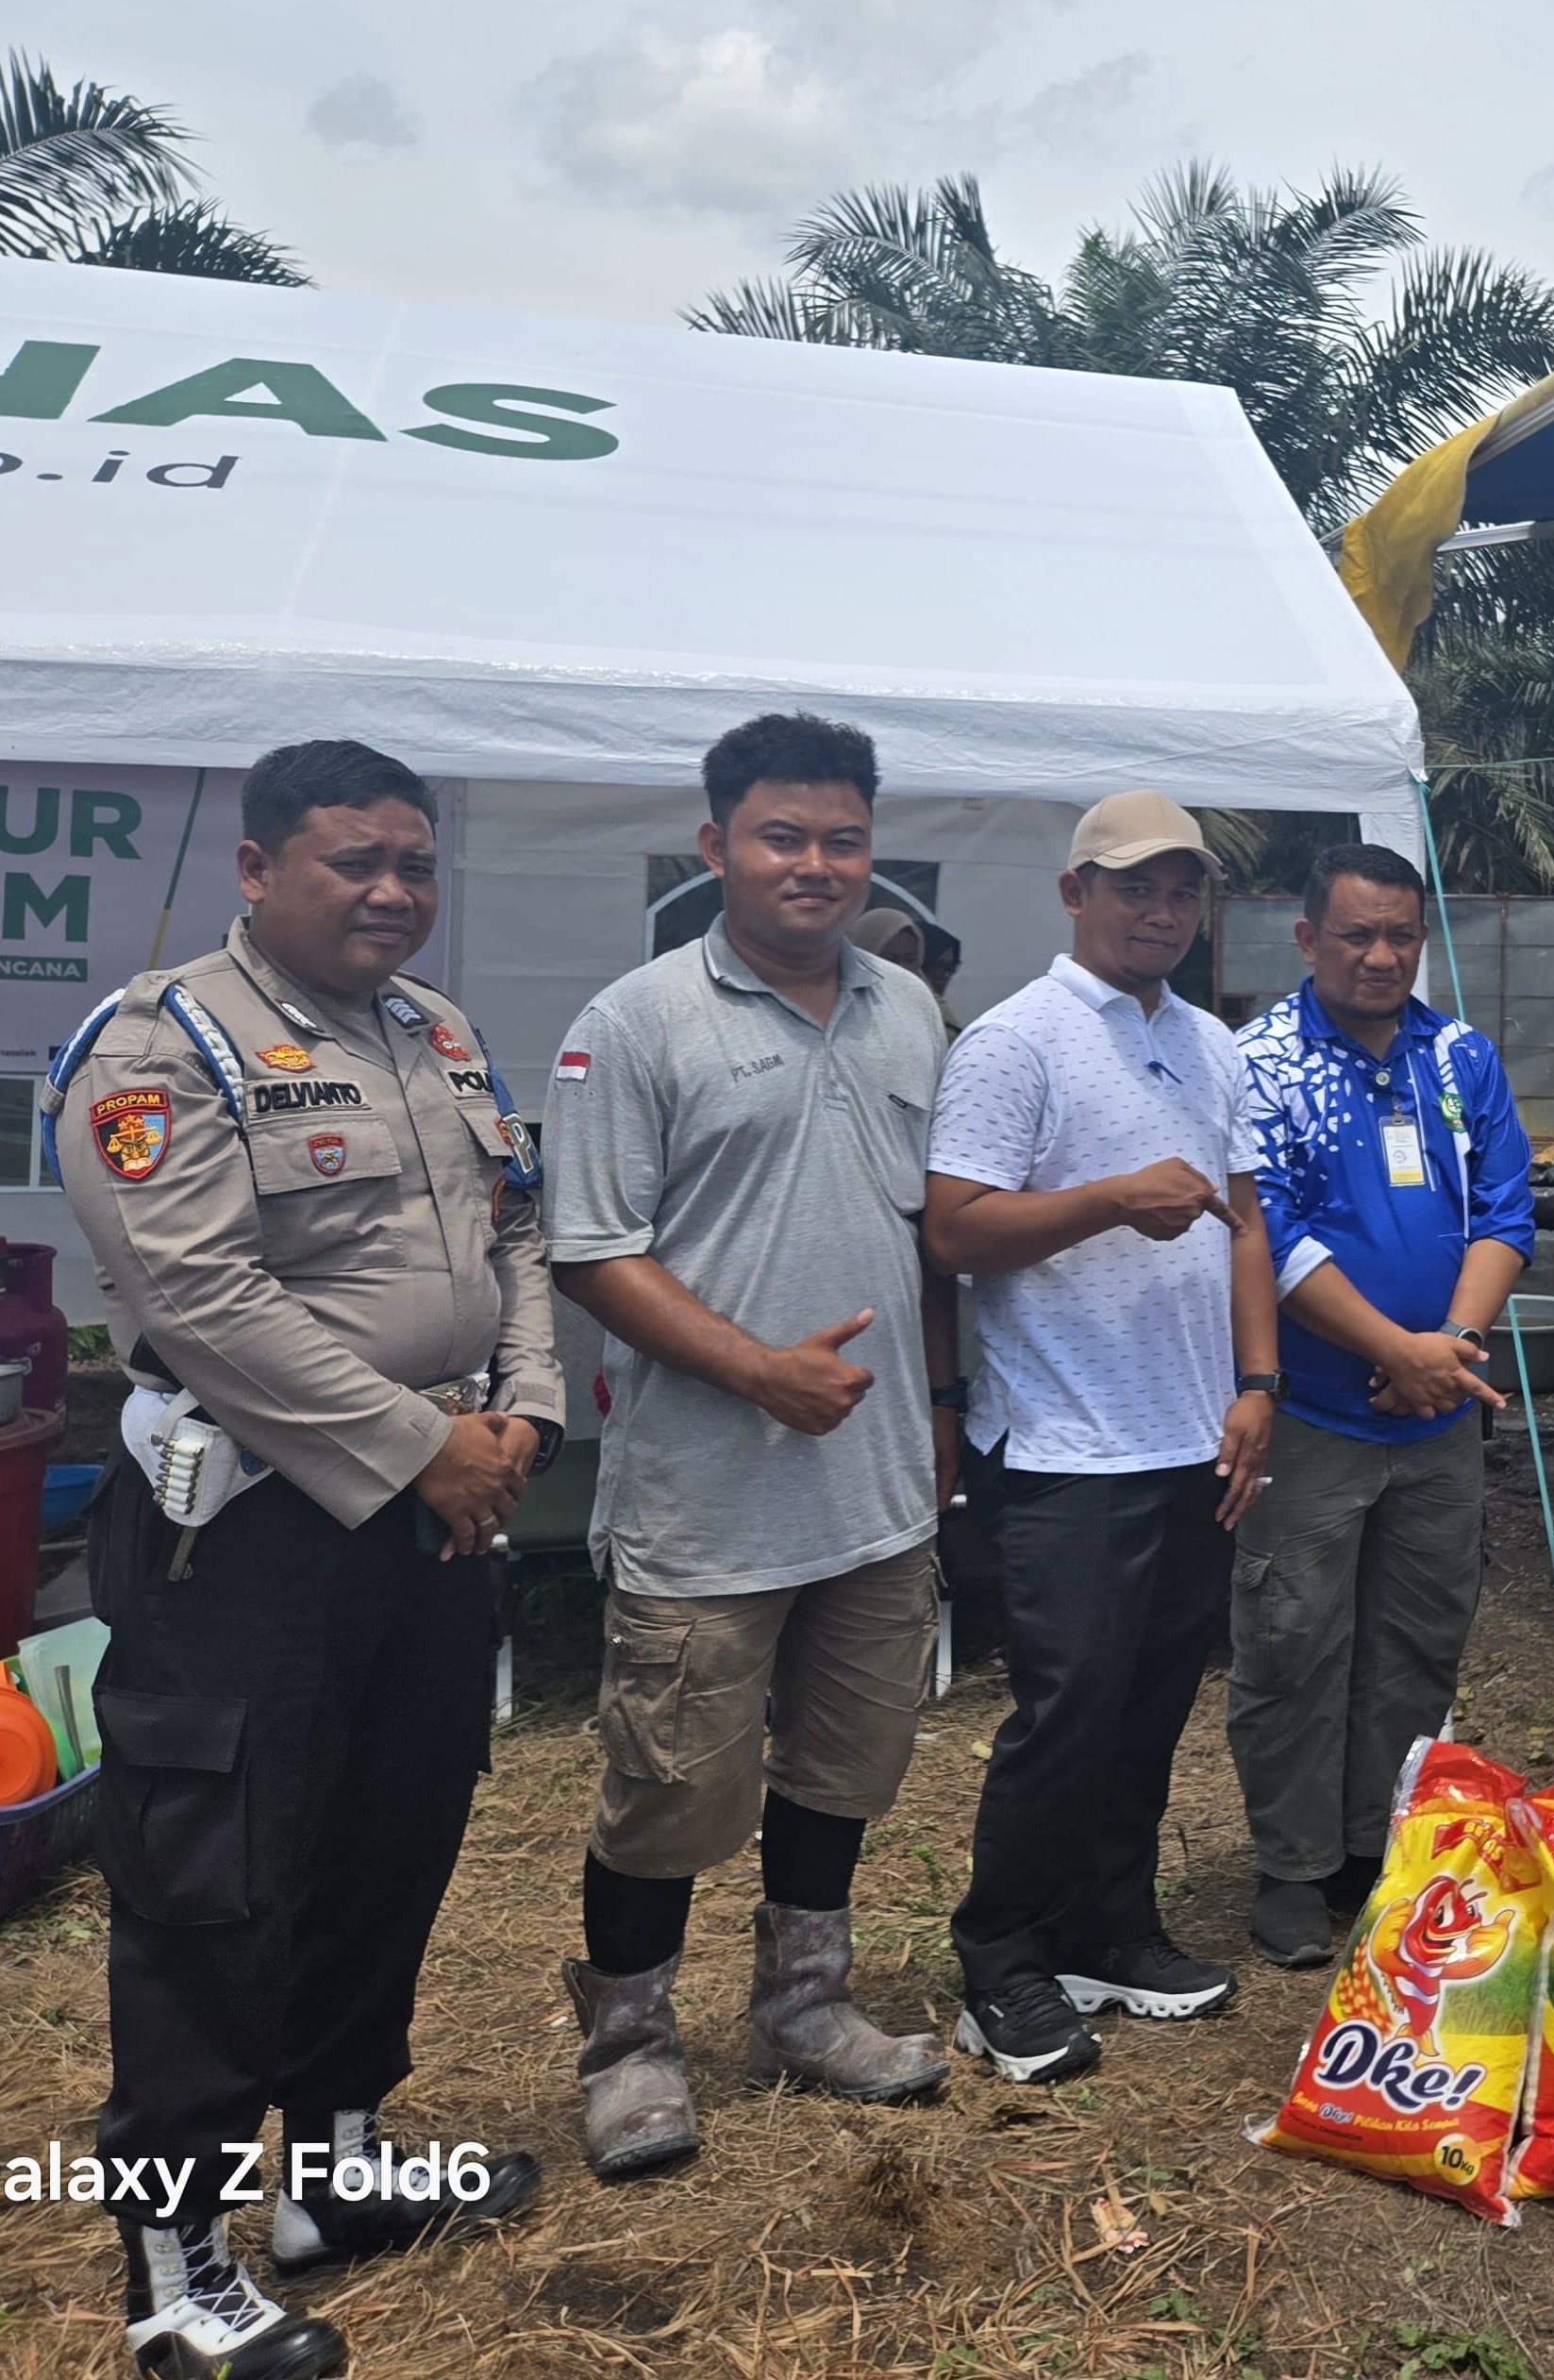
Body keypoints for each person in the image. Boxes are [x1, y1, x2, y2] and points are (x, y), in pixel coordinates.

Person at [48, 741, 560, 2380]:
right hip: (250, 1534)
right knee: (219, 1879)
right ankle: (177, 2263)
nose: (395, 892)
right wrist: (428, 1444)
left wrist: (522, 1419)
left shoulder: (441, 1034)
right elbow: (199, 1298)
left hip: (439, 1514)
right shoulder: (162, 1045)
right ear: (259, 870)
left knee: (392, 1837)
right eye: (356, 862)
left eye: (415, 863)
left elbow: (518, 1236)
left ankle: (338, 2171)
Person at [543, 715, 957, 2183]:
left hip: (878, 1485)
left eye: (842, 839)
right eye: (782, 835)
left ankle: (804, 2003)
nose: (815, 864)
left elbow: (933, 1242)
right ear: (715, 846)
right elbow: (591, 1252)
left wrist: (941, 1420)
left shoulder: (909, 1009)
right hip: (708, 1496)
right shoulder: (634, 1023)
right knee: (667, 1787)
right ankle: (631, 2044)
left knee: (843, 1768)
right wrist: (757, 1373)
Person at [924, 791, 1278, 2083]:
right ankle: (1002, 1958)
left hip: (1192, 1433)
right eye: (1134, 887)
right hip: (1069, 1438)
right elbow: (955, 1231)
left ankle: (1109, 1927)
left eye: (1182, 891)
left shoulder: (1209, 1043)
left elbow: (1247, 1220)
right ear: (1074, 895)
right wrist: (1105, 1202)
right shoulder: (1015, 1043)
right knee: (1065, 1711)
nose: (1161, 912)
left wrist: (1255, 1382)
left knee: (1149, 1703)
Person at [1228, 843, 1532, 1969]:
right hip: (1314, 1413)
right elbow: (1273, 1234)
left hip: (1440, 1411)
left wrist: (1445, 1349)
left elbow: (1505, 1213)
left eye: (1400, 934)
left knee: (1416, 1639)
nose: (1380, 954)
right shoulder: (1258, 1060)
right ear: (1307, 937)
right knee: (1294, 1640)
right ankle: (1293, 1867)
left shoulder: (1458, 1057)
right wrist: (1390, 1351)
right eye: (1355, 934)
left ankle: (1376, 1847)